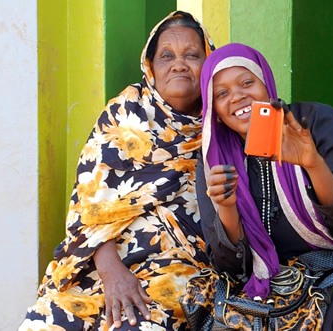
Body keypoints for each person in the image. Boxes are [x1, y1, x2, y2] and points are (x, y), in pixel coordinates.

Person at [196, 43, 333, 330]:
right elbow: (233, 267)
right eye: (221, 94)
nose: (237, 96)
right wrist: (226, 208)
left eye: (246, 82)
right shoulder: (215, 158)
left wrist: (313, 164)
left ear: (266, 82)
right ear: (214, 109)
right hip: (291, 273)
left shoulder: (317, 124)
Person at [19, 11, 215, 330]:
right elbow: (88, 203)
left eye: (192, 55)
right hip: (103, 262)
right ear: (151, 66)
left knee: (138, 325)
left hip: (179, 269)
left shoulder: (219, 124)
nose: (179, 64)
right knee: (46, 321)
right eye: (167, 55)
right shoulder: (125, 114)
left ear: (207, 65)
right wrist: (111, 274)